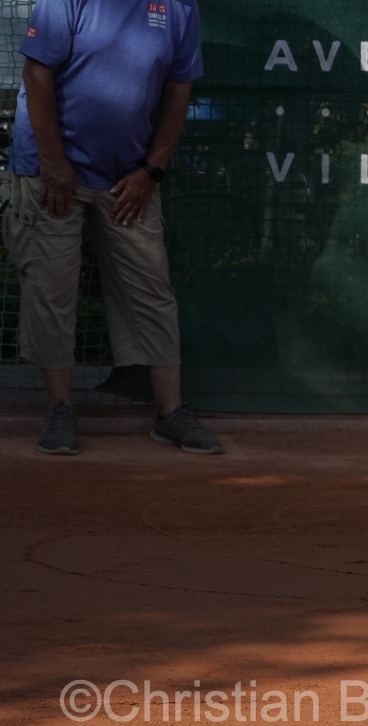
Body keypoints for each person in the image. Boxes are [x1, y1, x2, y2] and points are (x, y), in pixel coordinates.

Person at [8, 0, 222, 455]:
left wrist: (153, 169)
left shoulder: (181, 6)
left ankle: (171, 413)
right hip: (49, 174)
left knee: (151, 288)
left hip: (130, 179)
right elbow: (36, 74)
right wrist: (53, 162)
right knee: (52, 288)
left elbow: (179, 87)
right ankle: (60, 409)